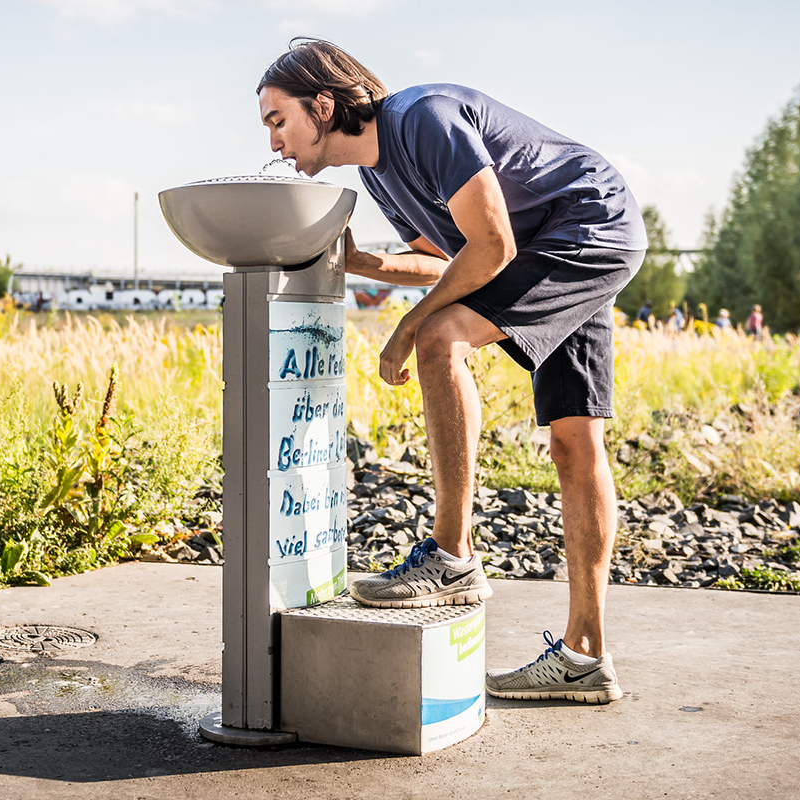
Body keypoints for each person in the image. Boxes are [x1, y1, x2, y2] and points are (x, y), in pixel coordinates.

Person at [258, 38, 643, 703]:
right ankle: (586, 656)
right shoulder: (379, 175)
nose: (274, 144)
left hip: (586, 225)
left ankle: (453, 557)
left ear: (323, 105)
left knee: (439, 336)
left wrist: (407, 330)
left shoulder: (422, 119)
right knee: (575, 439)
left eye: (277, 120)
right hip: (561, 239)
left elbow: (492, 242)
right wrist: (368, 265)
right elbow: (450, 262)